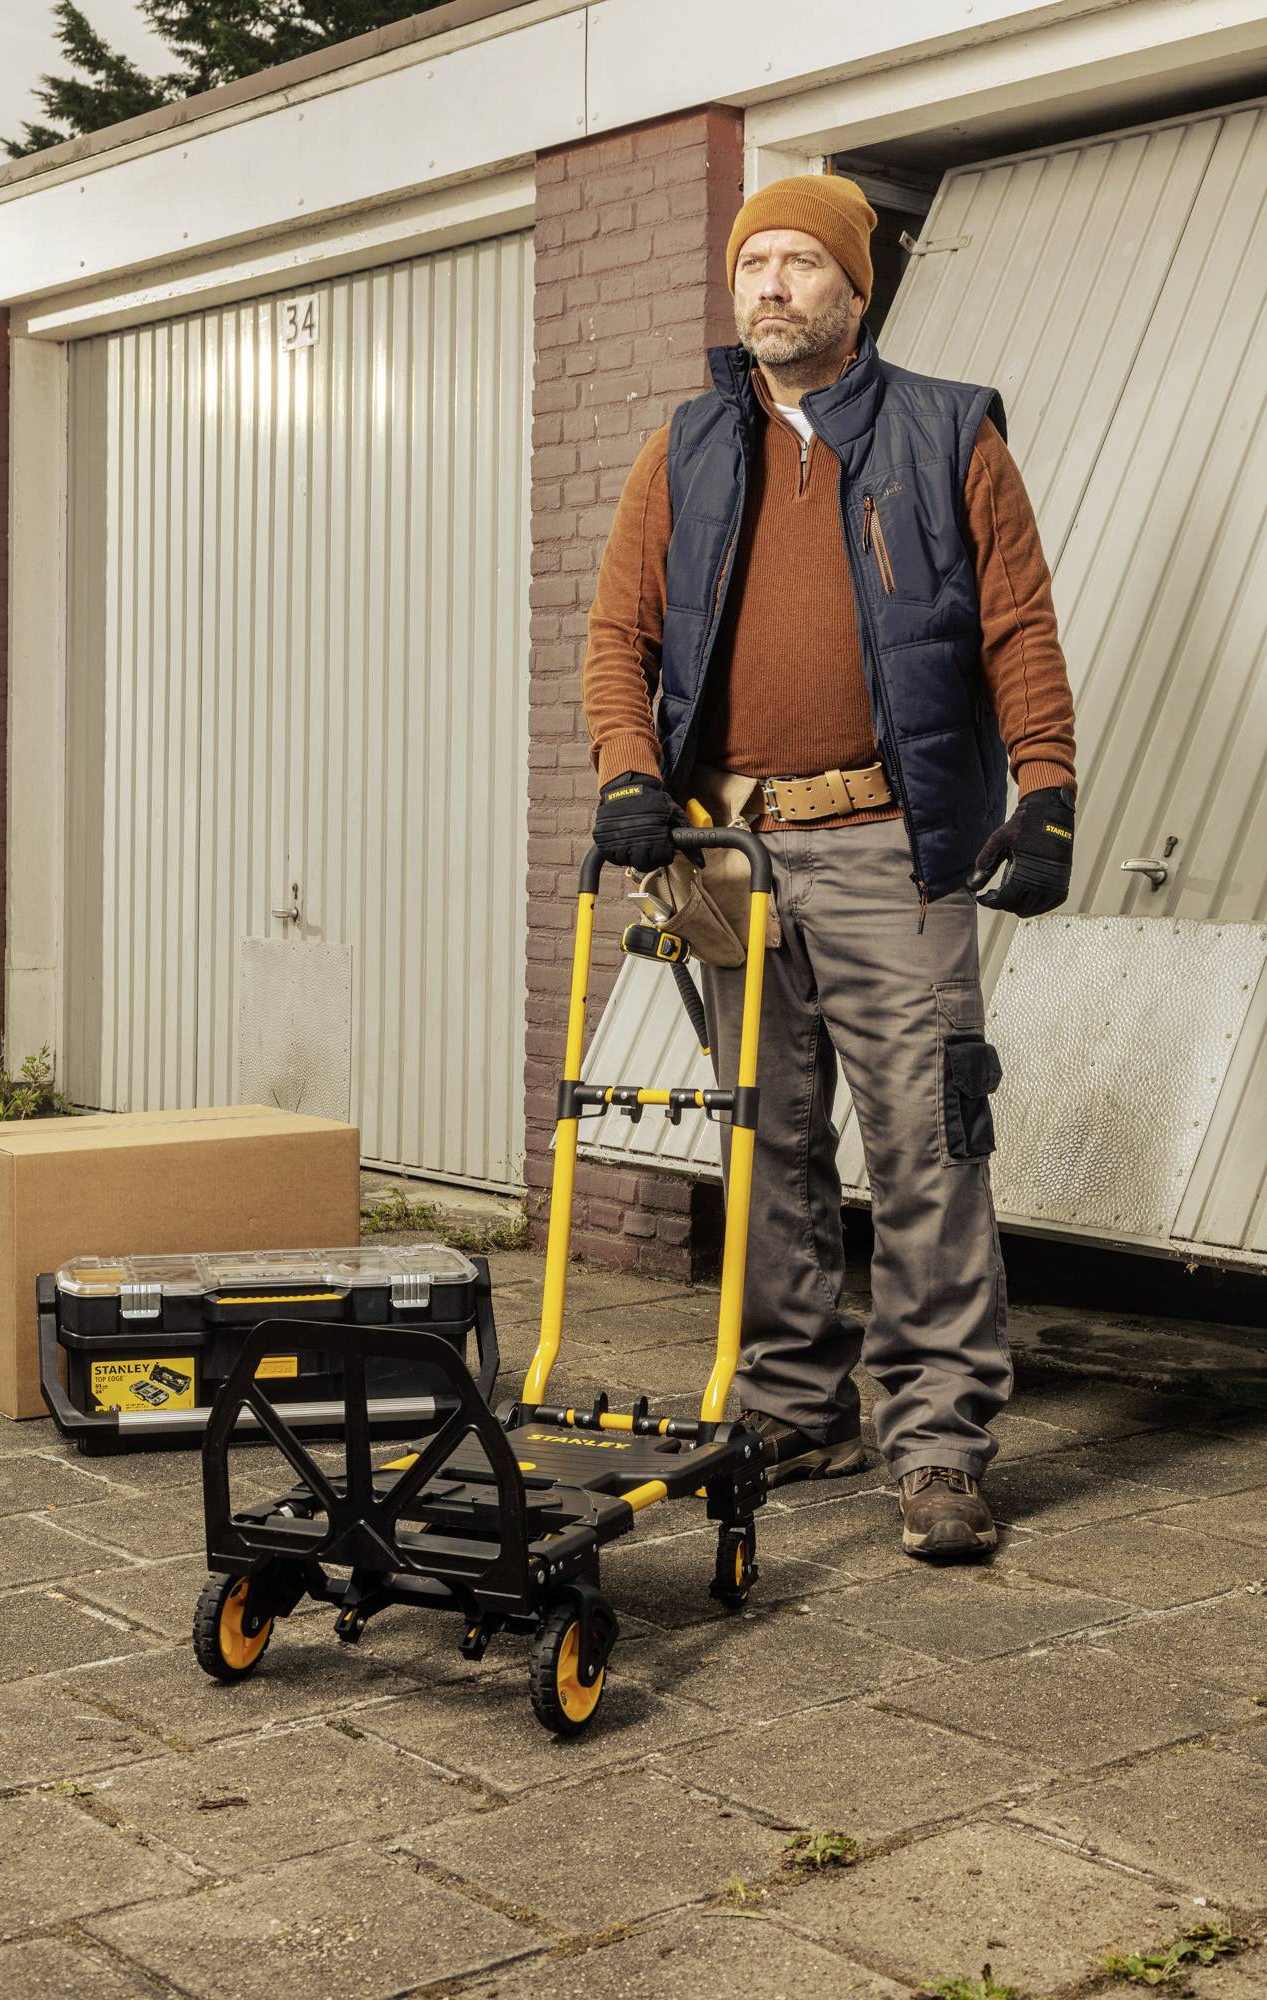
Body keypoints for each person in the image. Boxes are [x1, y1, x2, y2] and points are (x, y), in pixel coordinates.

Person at [581, 172, 1078, 1562]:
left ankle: (937, 1444)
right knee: (765, 1143)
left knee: (926, 1146)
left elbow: (1018, 629)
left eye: (802, 265)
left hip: (888, 842)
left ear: (854, 294)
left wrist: (1043, 791)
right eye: (755, 266)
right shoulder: (682, 446)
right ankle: (796, 1404)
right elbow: (615, 638)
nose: (772, 288)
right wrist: (632, 774)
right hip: (726, 856)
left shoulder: (945, 431)